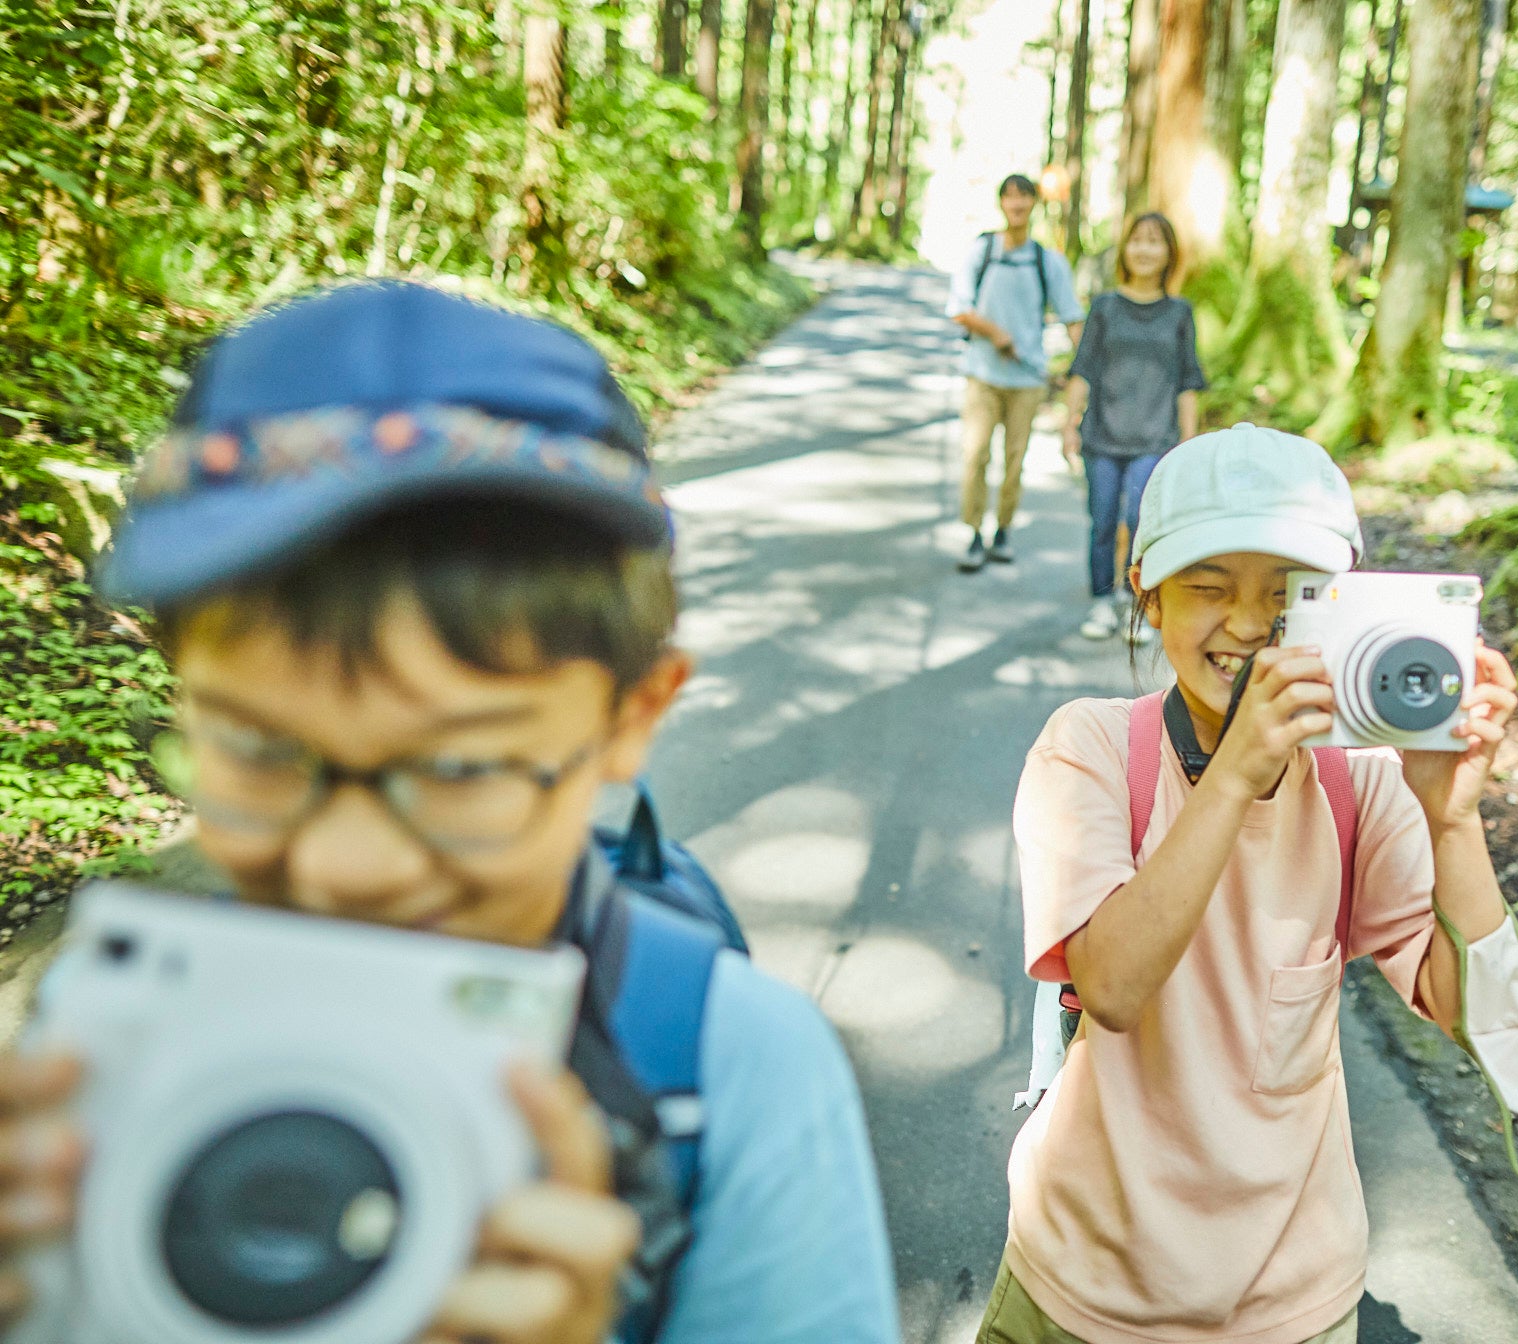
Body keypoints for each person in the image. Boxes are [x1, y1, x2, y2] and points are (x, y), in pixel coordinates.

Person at [0, 282, 901, 1344]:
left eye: (467, 768)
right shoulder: (76, 1052)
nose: (347, 866)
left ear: (633, 714)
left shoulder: (730, 1077)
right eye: (258, 752)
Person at [980, 424, 1518, 1344]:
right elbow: (1109, 986)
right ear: (1146, 595)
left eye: (1287, 595)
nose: (1245, 623)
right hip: (1078, 1284)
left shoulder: (1362, 785)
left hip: (1289, 1303)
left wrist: (1452, 817)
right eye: (1208, 587)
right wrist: (1233, 773)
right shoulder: (1092, 748)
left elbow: (1470, 1011)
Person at [1061, 212, 1205, 642]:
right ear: (1125, 250)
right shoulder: (1104, 307)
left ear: (1168, 253)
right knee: (1102, 519)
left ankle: (1134, 601)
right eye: (1137, 241)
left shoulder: (1180, 312)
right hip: (1102, 434)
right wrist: (1070, 424)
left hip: (1154, 437)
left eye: (1154, 241)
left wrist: (1189, 440)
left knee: (1139, 517)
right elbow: (1082, 369)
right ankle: (1103, 603)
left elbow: (1187, 382)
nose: (1144, 249)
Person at [946, 173, 1085, 573]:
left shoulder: (1047, 261)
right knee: (974, 455)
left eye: (1024, 197)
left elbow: (1072, 316)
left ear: (1034, 205)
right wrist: (995, 333)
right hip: (982, 375)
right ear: (1001, 204)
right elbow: (959, 308)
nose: (1017, 204)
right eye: (1009, 197)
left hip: (1027, 381)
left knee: (1014, 459)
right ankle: (974, 533)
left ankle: (1002, 530)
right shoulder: (982, 251)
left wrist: (1088, 363)